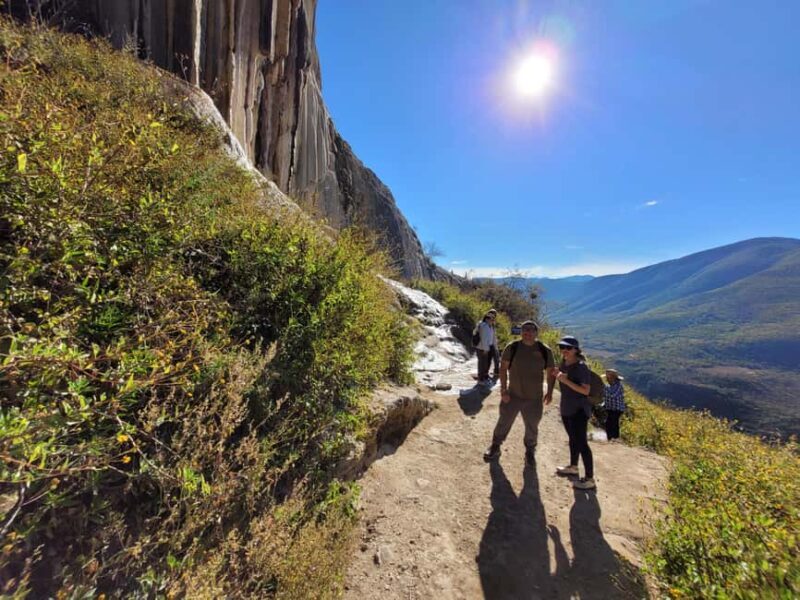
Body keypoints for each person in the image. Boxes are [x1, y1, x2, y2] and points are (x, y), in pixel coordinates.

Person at [483, 321, 555, 466]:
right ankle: (495, 446)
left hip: (534, 398)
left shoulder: (544, 350)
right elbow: (503, 369)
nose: (527, 332)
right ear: (521, 332)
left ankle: (530, 452)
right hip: (513, 395)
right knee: (504, 421)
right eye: (524, 329)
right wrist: (503, 390)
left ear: (536, 332)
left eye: (531, 330)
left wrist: (550, 392)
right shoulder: (513, 347)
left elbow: (550, 372)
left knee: (532, 426)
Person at [553, 336, 596, 490]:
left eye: (568, 348)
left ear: (576, 350)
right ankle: (573, 467)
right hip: (567, 407)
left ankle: (590, 478)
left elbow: (585, 390)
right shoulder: (564, 363)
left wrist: (565, 380)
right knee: (573, 439)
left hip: (579, 409)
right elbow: (562, 379)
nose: (564, 350)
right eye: (562, 347)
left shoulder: (581, 367)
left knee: (582, 443)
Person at [602, 369, 626, 441]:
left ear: (612, 378)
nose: (606, 379)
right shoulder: (608, 386)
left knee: (613, 422)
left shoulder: (618, 386)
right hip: (610, 408)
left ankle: (615, 438)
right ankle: (611, 438)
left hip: (617, 409)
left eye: (607, 377)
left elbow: (612, 395)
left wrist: (603, 389)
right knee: (609, 423)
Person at [473, 312, 497, 385]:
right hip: (482, 348)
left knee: (485, 363)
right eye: (491, 319)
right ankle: (480, 379)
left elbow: (492, 337)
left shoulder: (490, 326)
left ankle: (484, 377)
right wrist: (486, 349)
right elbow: (484, 339)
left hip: (487, 347)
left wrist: (494, 346)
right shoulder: (484, 326)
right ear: (486, 319)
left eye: (493, 319)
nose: (493, 320)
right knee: (482, 364)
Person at [487, 308, 501, 379]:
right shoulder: (486, 323)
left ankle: (496, 372)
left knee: (496, 359)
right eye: (491, 314)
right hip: (489, 344)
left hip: (494, 344)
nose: (493, 316)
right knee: (490, 359)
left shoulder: (493, 324)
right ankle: (486, 373)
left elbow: (493, 334)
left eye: (494, 315)